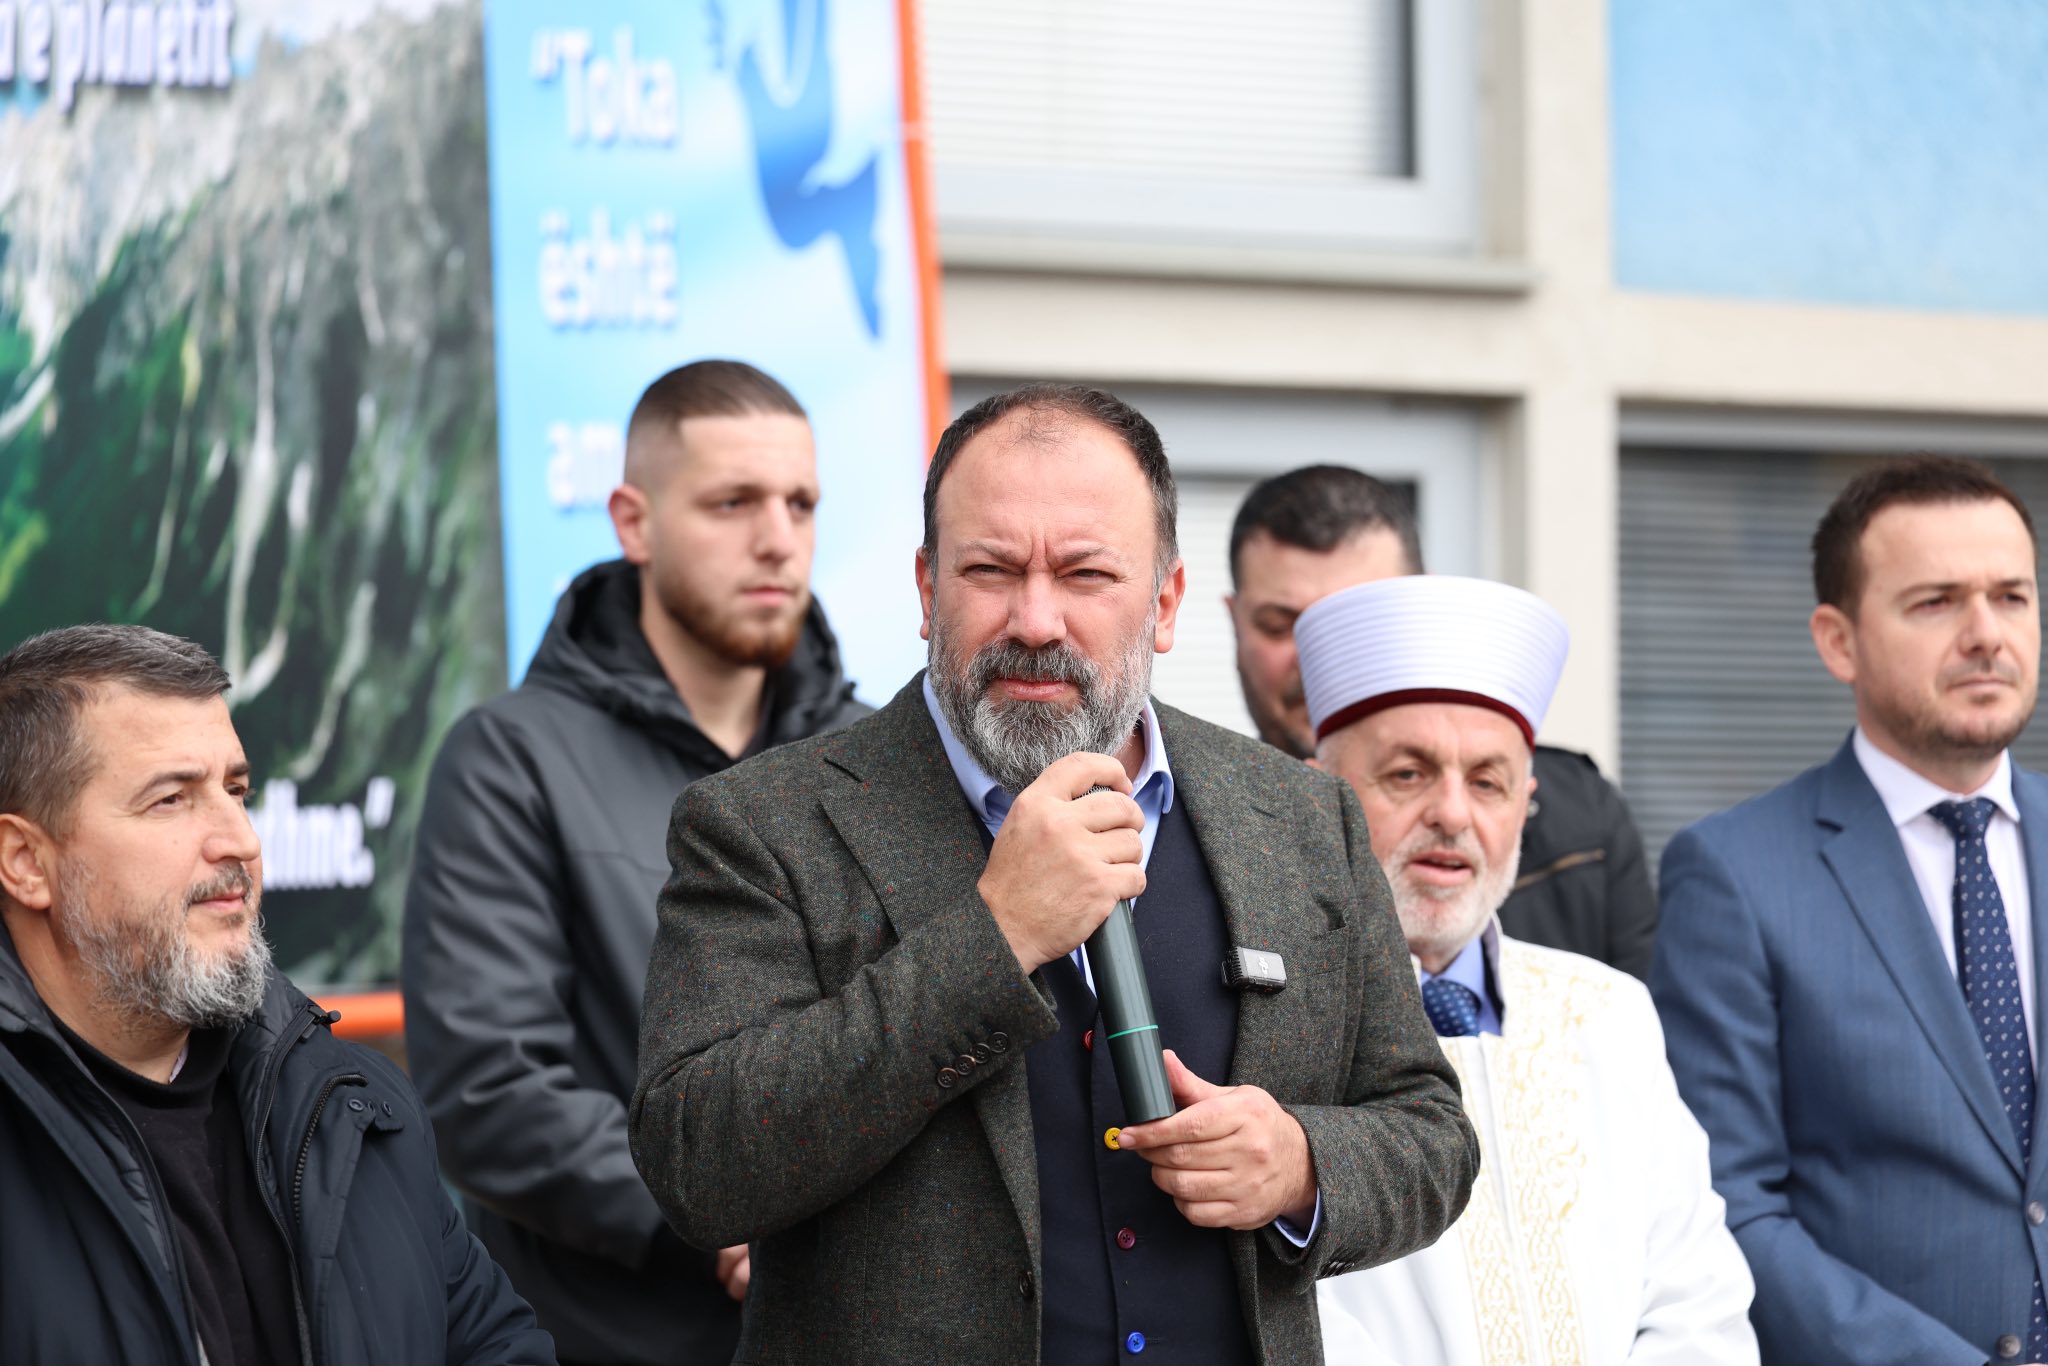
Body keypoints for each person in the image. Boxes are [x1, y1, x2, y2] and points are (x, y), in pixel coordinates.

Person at [629, 383, 1478, 1364]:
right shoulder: (764, 824)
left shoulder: (1300, 818)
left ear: (1164, 603)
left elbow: (1430, 1134)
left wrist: (1301, 1165)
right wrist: (994, 938)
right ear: (926, 589)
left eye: (1084, 574)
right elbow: (696, 1163)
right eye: (990, 569)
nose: (1035, 620)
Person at [402, 360, 869, 1365]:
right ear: (633, 522)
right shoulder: (510, 760)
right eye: (732, 502)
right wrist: (714, 1208)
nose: (778, 539)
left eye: (800, 503)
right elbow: (489, 1088)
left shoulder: (877, 761)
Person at [0, 624, 553, 1365]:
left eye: (236, 791)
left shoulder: (354, 1108)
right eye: (171, 799)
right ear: (25, 862)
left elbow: (497, 1344)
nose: (240, 840)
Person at [1296, 575, 1755, 1364]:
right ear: (1318, 793)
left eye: (1488, 782)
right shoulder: (1274, 1016)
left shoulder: (1611, 1013)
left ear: (1525, 803)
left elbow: (1698, 1301)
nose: (1453, 813)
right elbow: (1283, 1309)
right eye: (1408, 774)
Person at [1654, 456, 2048, 1365]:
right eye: (1937, 602)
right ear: (1839, 642)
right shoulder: (1736, 875)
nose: (1986, 635)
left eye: (2012, 597)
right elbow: (1726, 1207)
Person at [1227, 465, 1658, 977]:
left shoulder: (1583, 823)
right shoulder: (1202, 832)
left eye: (1364, 620)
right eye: (1280, 625)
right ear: (1235, 619)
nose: (1318, 657)